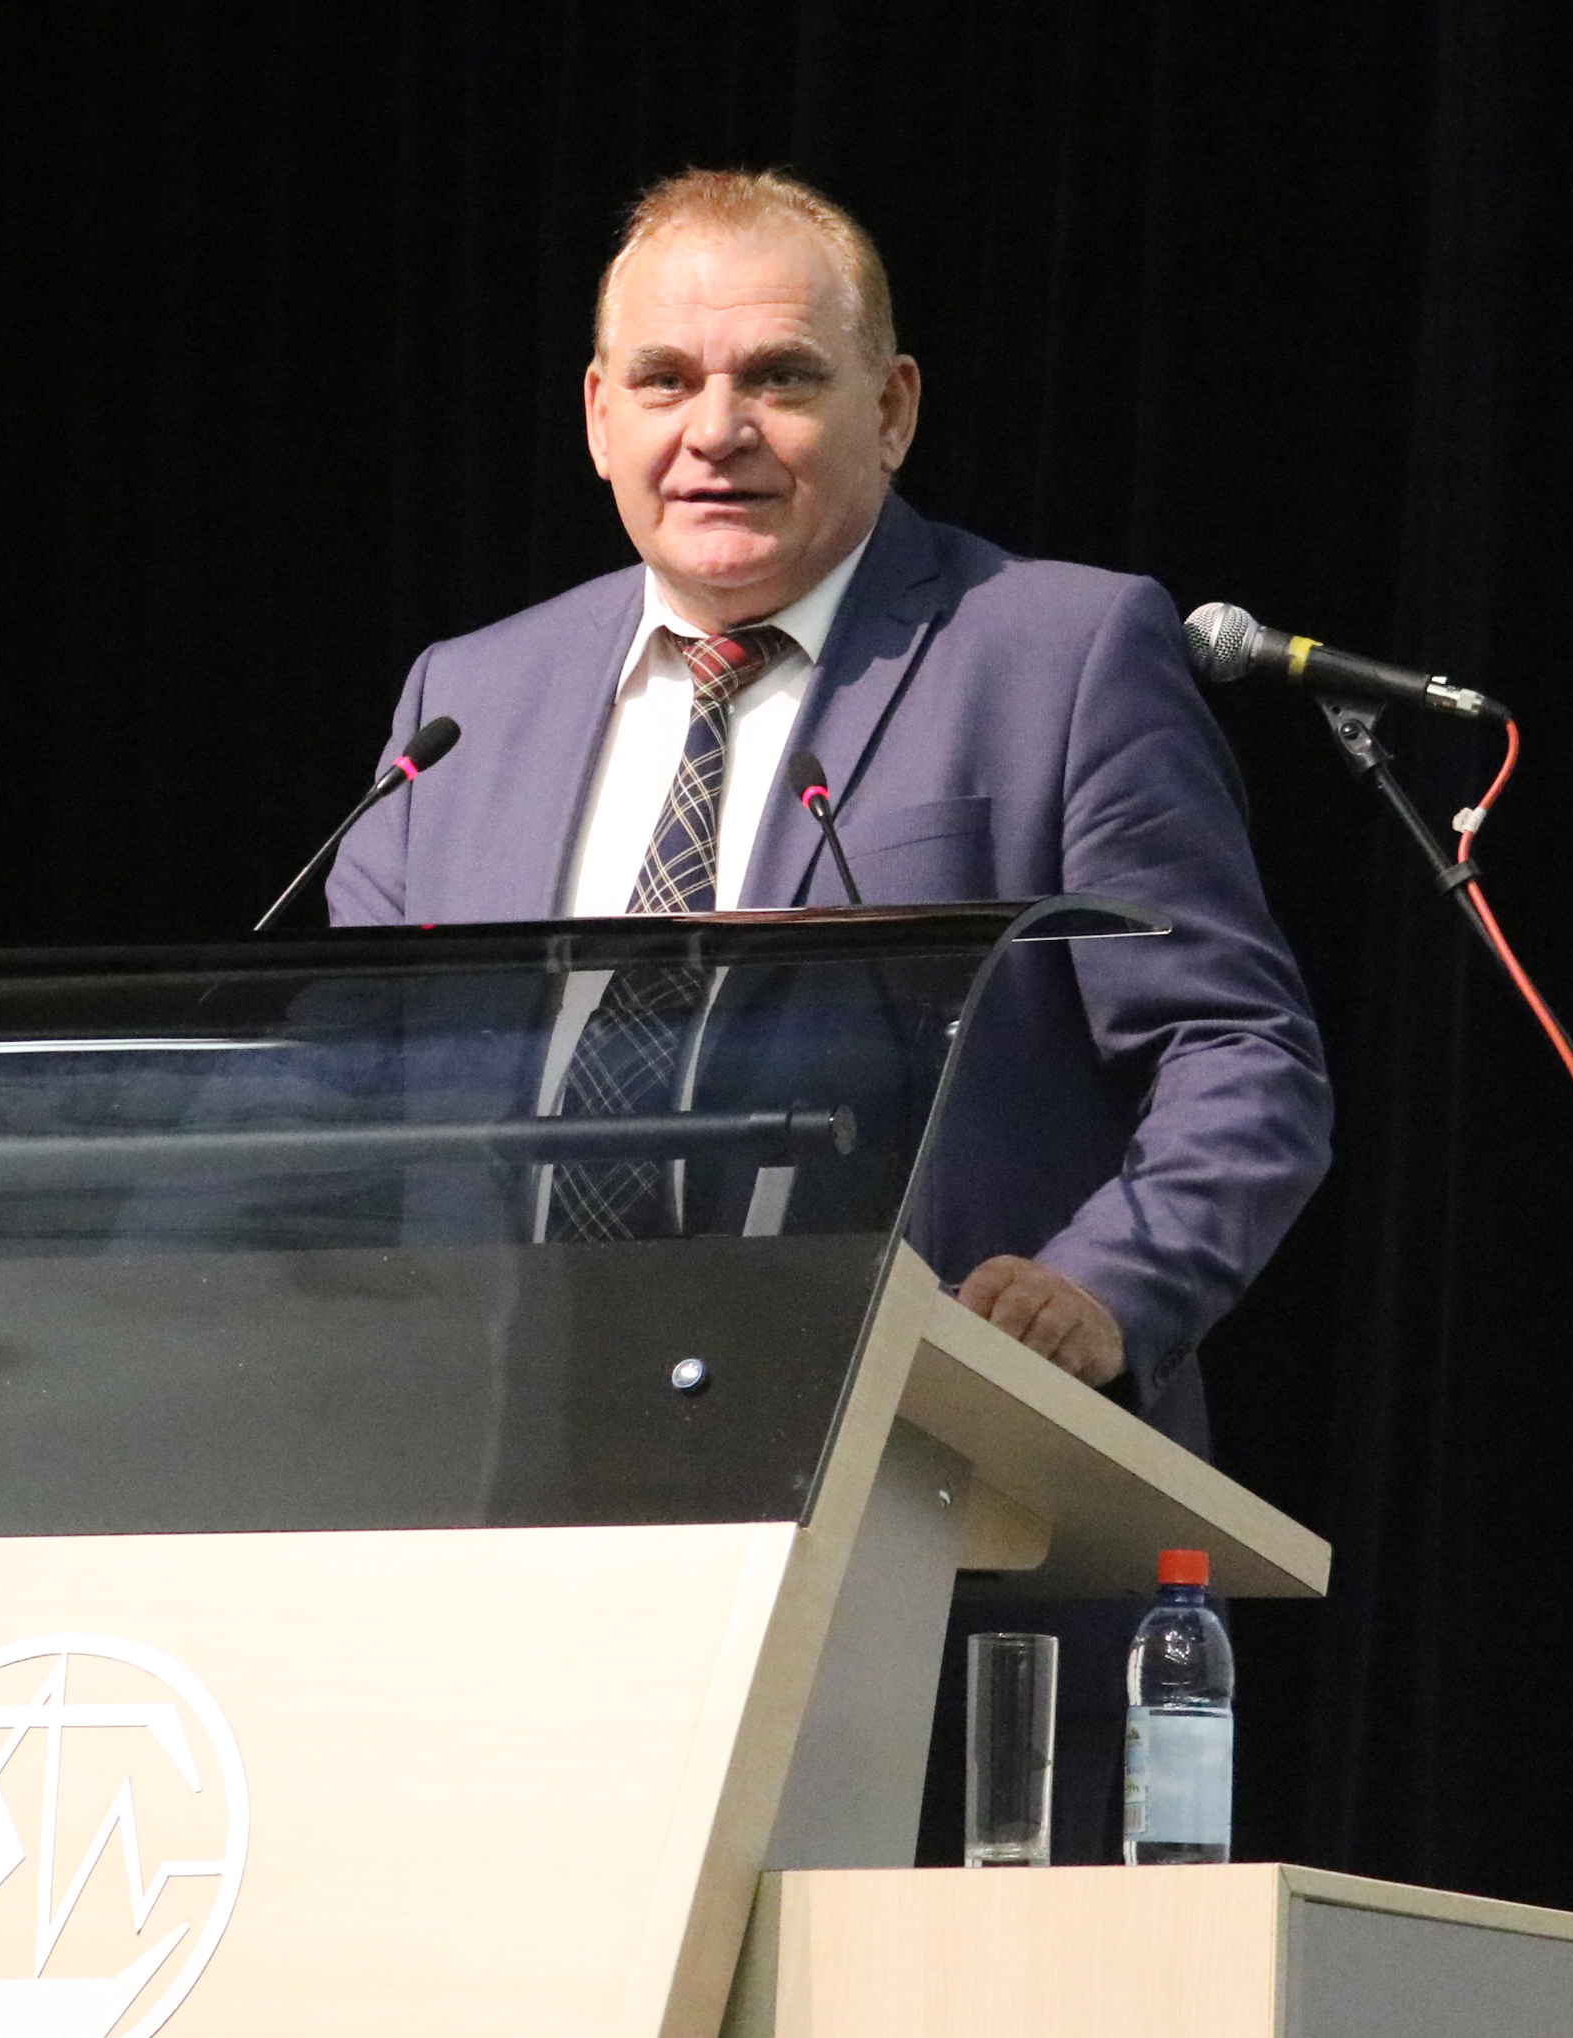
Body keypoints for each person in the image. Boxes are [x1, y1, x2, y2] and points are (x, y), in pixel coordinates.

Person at [329, 168, 1328, 1456]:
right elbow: (341, 1093)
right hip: (503, 1453)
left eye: (781, 378)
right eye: (664, 380)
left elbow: (1237, 1052)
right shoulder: (463, 701)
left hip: (925, 1453)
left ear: (893, 409)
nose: (716, 430)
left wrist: (1101, 1290)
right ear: (598, 416)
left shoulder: (1058, 654)